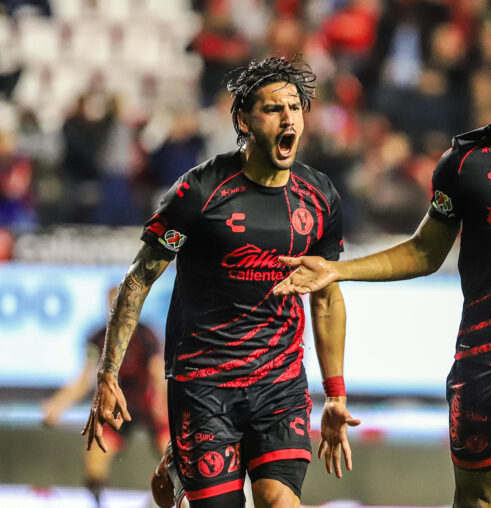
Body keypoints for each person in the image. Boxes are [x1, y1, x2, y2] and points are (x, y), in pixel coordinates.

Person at [275, 22, 491, 508]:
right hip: (485, 360)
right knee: (476, 502)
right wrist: (340, 269)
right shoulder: (466, 162)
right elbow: (426, 250)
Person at [83, 56, 360, 508]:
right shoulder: (198, 192)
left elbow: (326, 296)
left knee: (278, 502)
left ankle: (184, 461)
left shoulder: (320, 196)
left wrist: (335, 394)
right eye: (273, 109)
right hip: (203, 385)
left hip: (280, 382)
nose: (289, 117)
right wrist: (107, 373)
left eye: (296, 106)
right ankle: (179, 460)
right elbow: (138, 279)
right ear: (244, 120)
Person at [42, 287, 169, 507]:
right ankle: (100, 503)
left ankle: (163, 500)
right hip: (117, 406)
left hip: (147, 402)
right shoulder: (98, 338)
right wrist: (58, 405)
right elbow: (84, 379)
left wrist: (165, 404)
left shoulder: (146, 335)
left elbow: (158, 375)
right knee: (95, 455)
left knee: (170, 452)